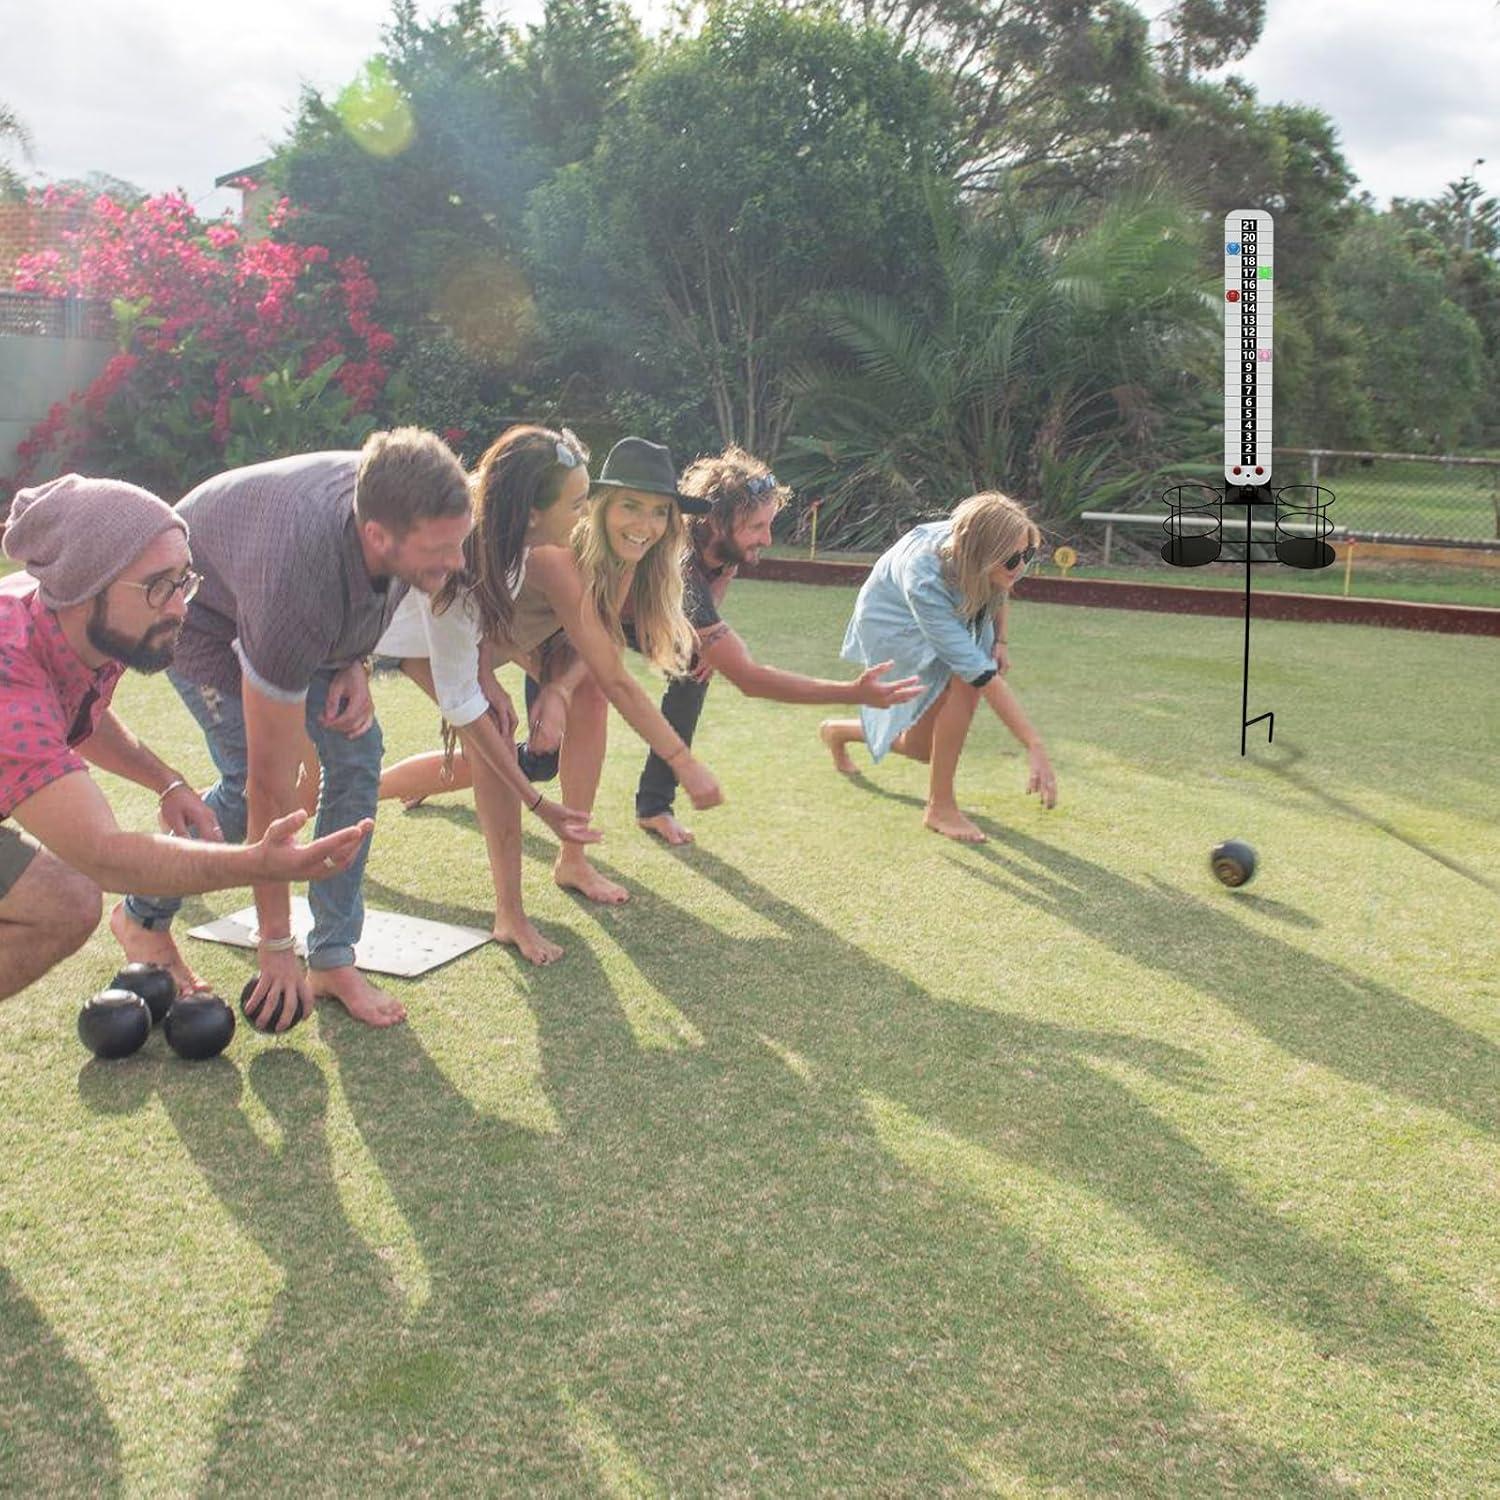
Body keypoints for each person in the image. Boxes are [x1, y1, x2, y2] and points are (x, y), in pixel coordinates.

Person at [116, 428, 473, 1033]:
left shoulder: (391, 507)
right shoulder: (296, 581)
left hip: (275, 597)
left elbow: (371, 592)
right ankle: (142, 913)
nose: (458, 562)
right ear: (377, 536)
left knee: (359, 755)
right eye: (443, 548)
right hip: (202, 621)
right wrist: (276, 947)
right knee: (246, 780)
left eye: (459, 542)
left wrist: (353, 662)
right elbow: (272, 790)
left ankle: (333, 958)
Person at [0, 474, 371, 1003]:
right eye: (158, 586)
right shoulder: (8, 664)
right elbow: (103, 856)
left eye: (183, 583)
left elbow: (68, 714)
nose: (179, 609)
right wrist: (258, 863)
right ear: (85, 585)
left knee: (60, 903)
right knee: (68, 897)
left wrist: (166, 782)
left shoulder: (81, 627)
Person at [378, 435, 724, 906]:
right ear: (598, 504)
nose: (647, 524)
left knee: (576, 709)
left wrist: (559, 691)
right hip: (447, 638)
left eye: (660, 511)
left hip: (512, 640)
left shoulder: (626, 560)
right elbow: (473, 608)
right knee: (496, 747)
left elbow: (598, 646)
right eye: (631, 506)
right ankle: (369, 793)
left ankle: (573, 861)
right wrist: (683, 763)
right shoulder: (554, 550)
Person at [373, 425, 603, 965]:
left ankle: (510, 913)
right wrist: (539, 802)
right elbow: (459, 693)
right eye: (576, 504)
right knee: (486, 740)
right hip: (377, 636)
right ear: (529, 511)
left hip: (428, 628)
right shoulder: (457, 565)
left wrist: (488, 672)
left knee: (496, 729)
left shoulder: (514, 539)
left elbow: (480, 618)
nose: (584, 516)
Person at [623, 445, 923, 846]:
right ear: (715, 521)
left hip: (648, 615)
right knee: (546, 751)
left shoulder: (722, 550)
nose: (767, 538)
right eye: (756, 527)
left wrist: (705, 641)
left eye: (768, 524)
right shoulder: (680, 562)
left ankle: (654, 807)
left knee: (694, 671)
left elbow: (718, 586)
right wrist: (853, 691)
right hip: (585, 617)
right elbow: (752, 680)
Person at [818, 491, 1058, 842]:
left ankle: (838, 731)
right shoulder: (925, 577)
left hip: (963, 593)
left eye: (1029, 554)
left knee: (921, 750)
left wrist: (1000, 640)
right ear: (983, 552)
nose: (1021, 566)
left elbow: (1000, 585)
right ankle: (940, 808)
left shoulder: (1002, 553)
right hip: (895, 620)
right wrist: (1034, 744)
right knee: (969, 681)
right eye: (1013, 559)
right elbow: (980, 675)